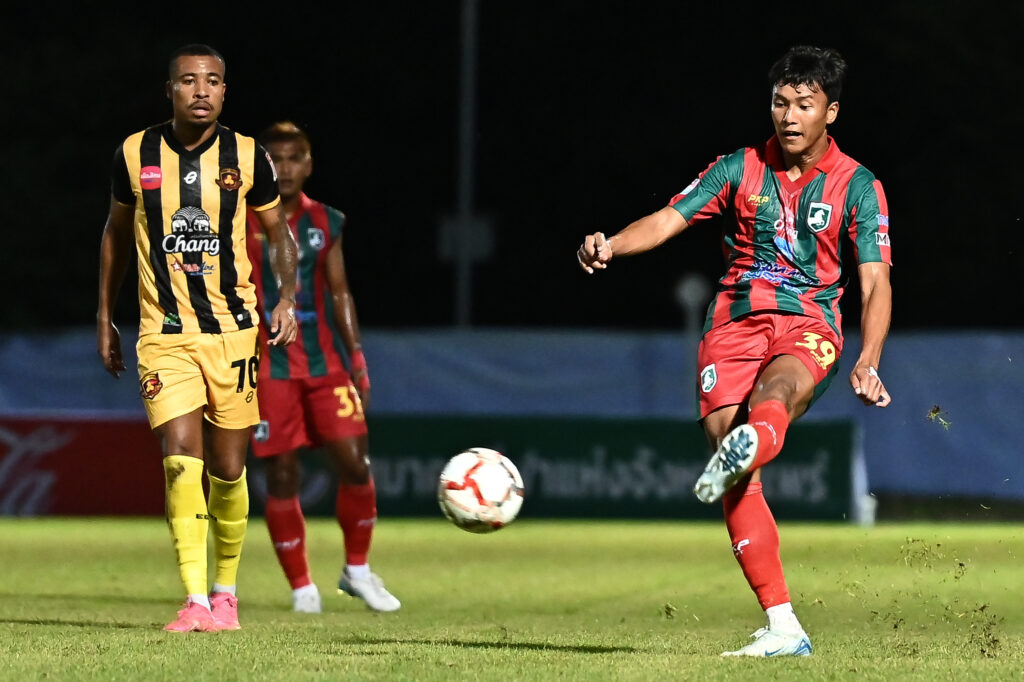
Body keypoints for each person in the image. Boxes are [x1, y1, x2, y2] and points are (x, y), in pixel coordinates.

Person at [576, 45, 892, 657]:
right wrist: (610, 244)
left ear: (831, 112)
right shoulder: (737, 168)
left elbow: (876, 282)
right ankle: (784, 627)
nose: (789, 116)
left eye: (804, 104)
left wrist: (869, 357)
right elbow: (668, 219)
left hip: (808, 323)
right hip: (733, 324)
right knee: (734, 465)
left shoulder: (858, 185)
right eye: (780, 102)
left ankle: (757, 434)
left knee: (778, 392)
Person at [96, 44, 299, 633]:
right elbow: (114, 235)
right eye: (188, 80)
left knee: (228, 471)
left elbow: (278, 232)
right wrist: (104, 315)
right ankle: (194, 601)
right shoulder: (134, 153)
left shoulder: (248, 155)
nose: (201, 90)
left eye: (212, 80)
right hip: (164, 335)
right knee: (181, 459)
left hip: (234, 333)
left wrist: (286, 297)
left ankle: (225, 593)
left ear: (225, 91)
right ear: (170, 90)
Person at [244, 121, 400, 613]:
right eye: (275, 160)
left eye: (294, 158)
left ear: (308, 164)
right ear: (261, 166)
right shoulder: (239, 220)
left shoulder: (326, 222)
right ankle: (302, 589)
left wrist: (357, 360)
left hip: (325, 367)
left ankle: (357, 570)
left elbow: (340, 293)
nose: (285, 168)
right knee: (281, 475)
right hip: (268, 368)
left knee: (355, 464)